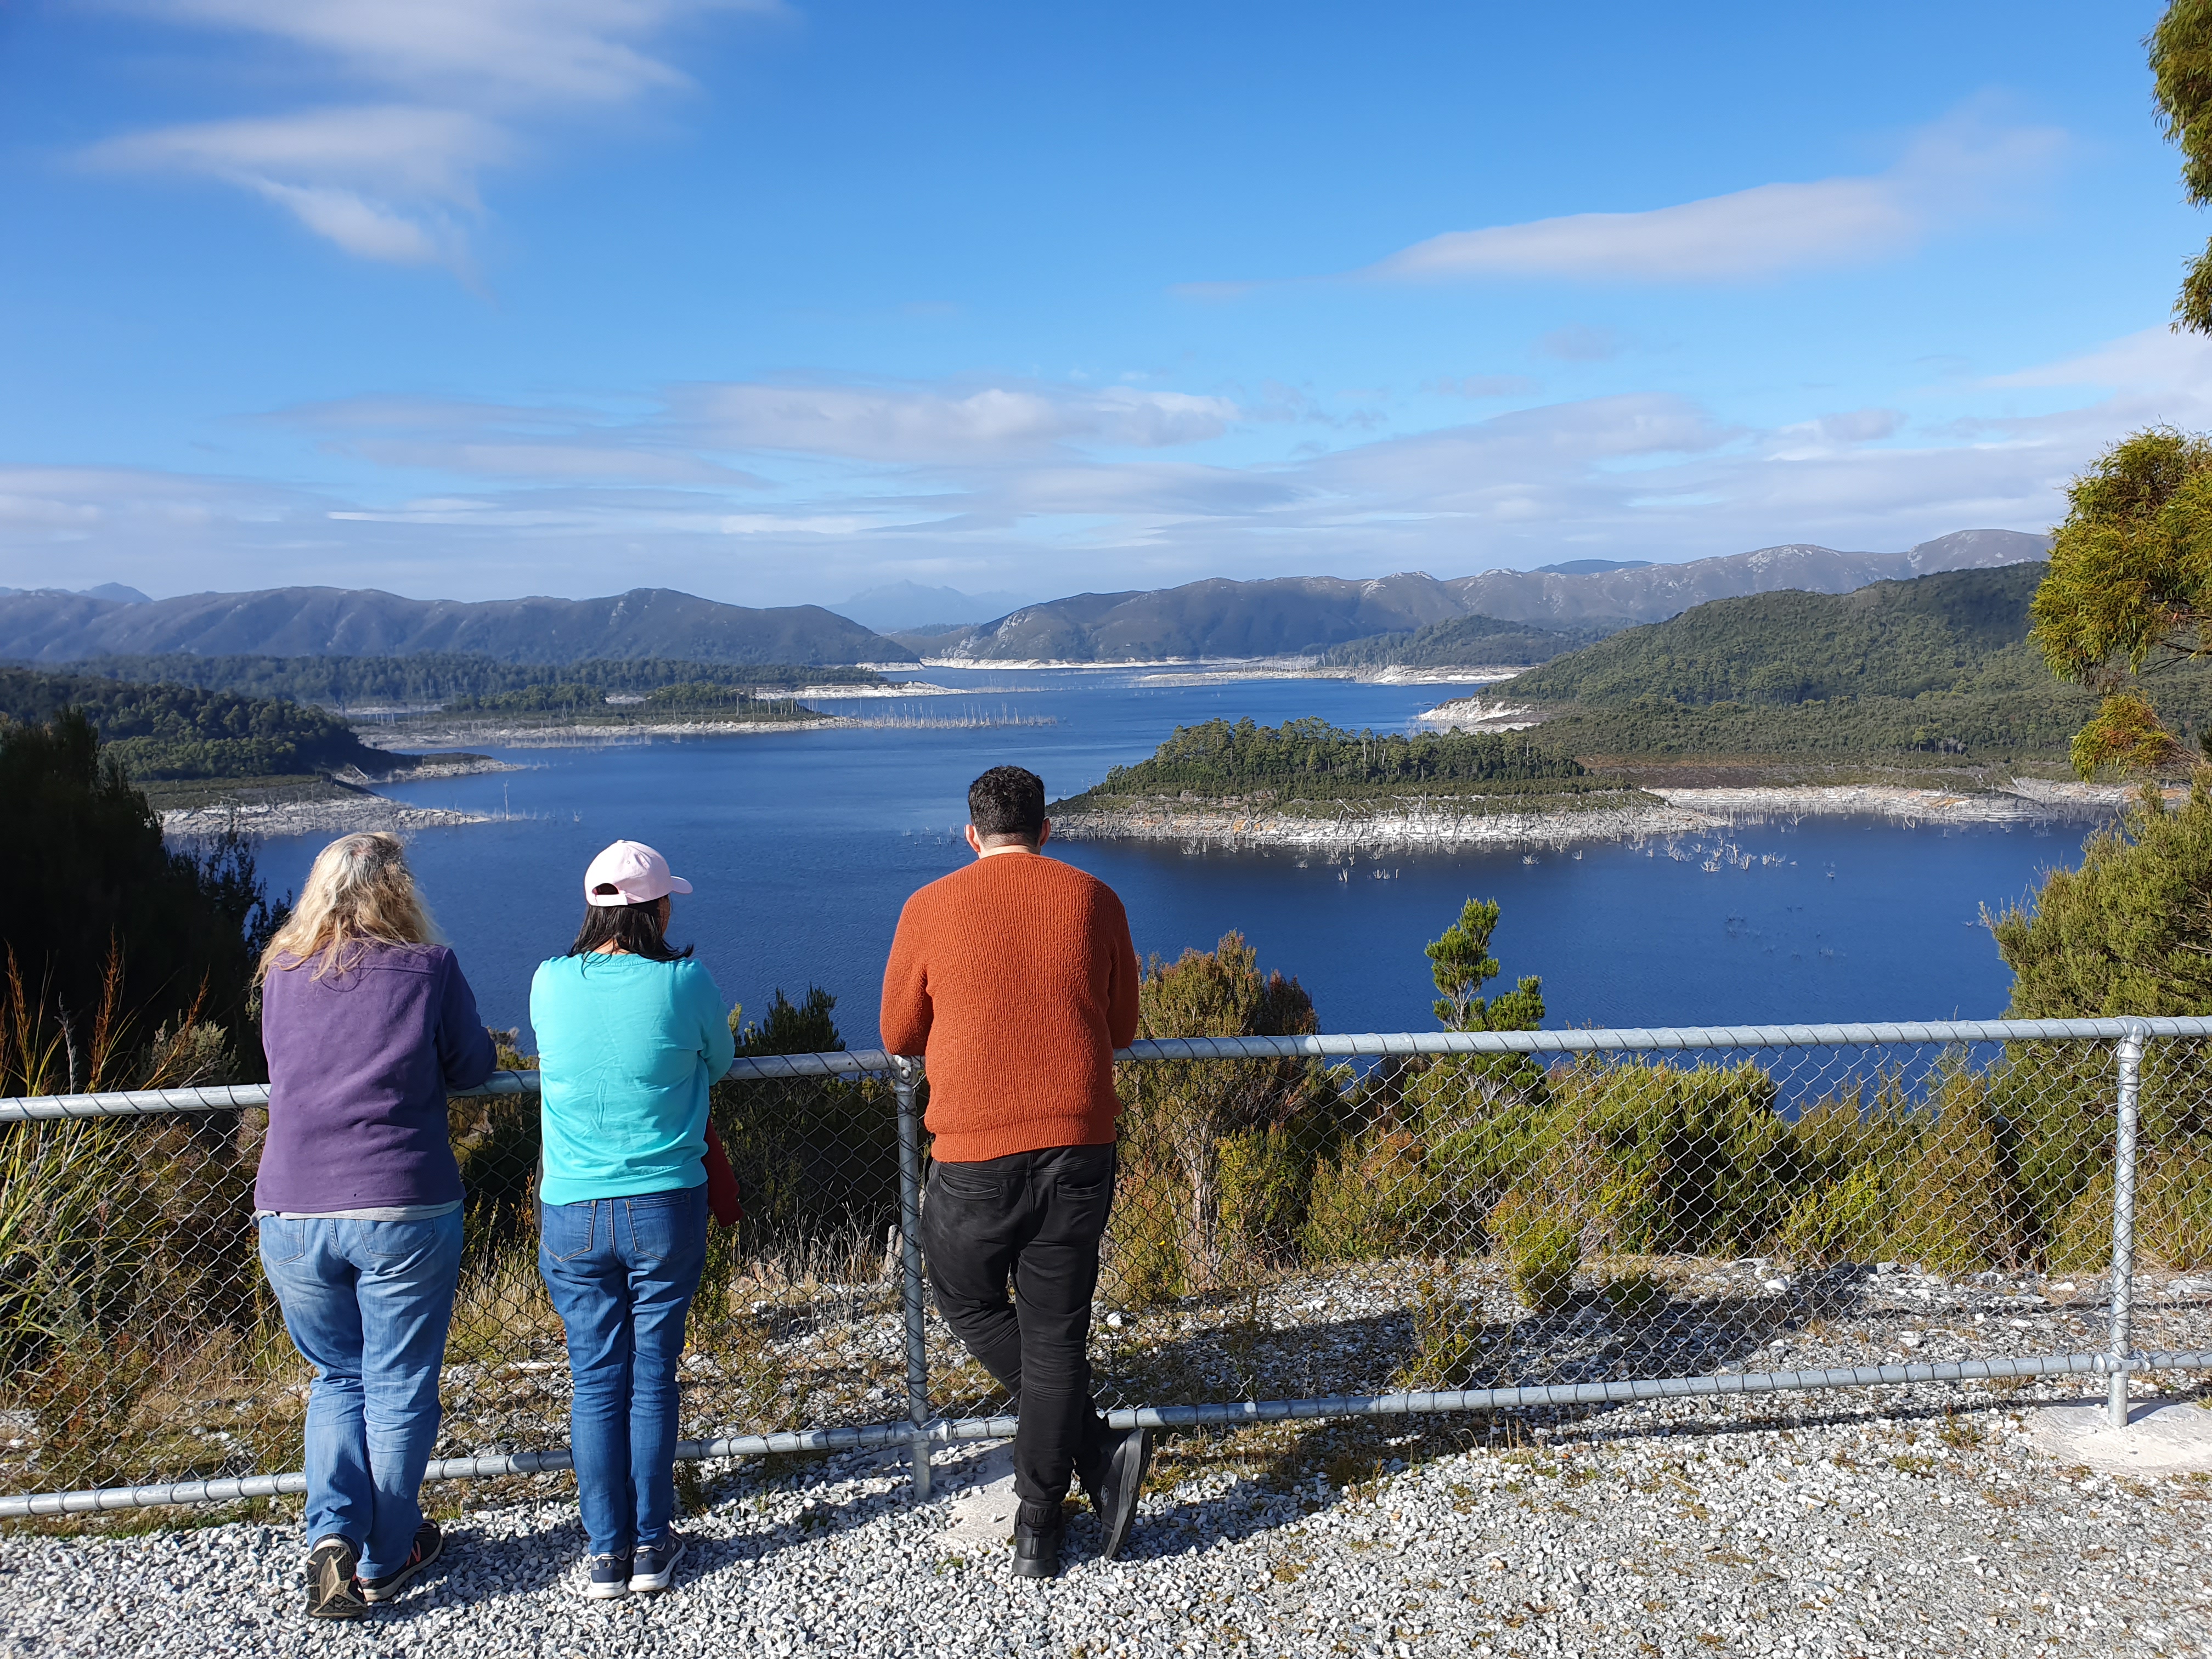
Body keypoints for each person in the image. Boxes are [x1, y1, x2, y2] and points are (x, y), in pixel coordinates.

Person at [880, 764, 1149, 1578]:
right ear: (1047, 828)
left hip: (971, 1153)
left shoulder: (929, 906)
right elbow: (1126, 1027)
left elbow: (898, 1031)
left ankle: (1095, 1462)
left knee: (962, 1295)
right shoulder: (1094, 897)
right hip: (1077, 1144)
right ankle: (1048, 1515)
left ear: (972, 834)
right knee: (1056, 1332)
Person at [255, 832, 497, 1621]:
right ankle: (387, 1556)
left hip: (290, 1206)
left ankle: (332, 1534)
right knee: (397, 1387)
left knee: (336, 1376)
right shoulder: (428, 969)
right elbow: (474, 1065)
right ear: (399, 892)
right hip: (400, 1203)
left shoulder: (282, 974)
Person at [531, 838, 736, 1601]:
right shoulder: (685, 980)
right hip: (664, 1203)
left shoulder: (549, 982)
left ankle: (604, 1553)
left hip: (573, 1208)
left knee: (595, 1380)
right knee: (653, 1378)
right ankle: (653, 1545)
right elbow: (718, 1060)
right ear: (656, 909)